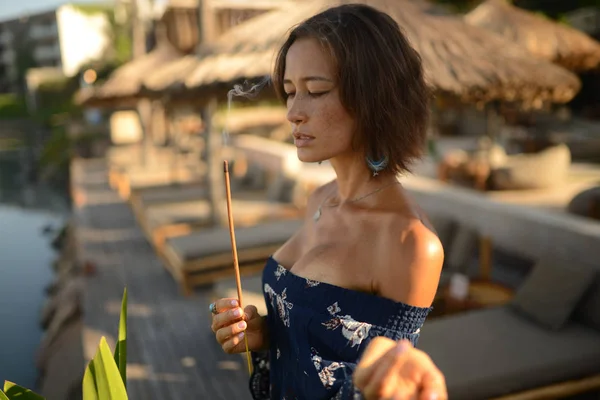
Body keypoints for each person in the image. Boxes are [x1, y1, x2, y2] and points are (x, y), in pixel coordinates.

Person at [211, 4, 446, 399]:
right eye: (289, 92)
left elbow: (381, 384)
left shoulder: (410, 243)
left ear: (372, 96)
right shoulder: (321, 198)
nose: (293, 113)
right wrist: (262, 332)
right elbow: (321, 338)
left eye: (316, 91)